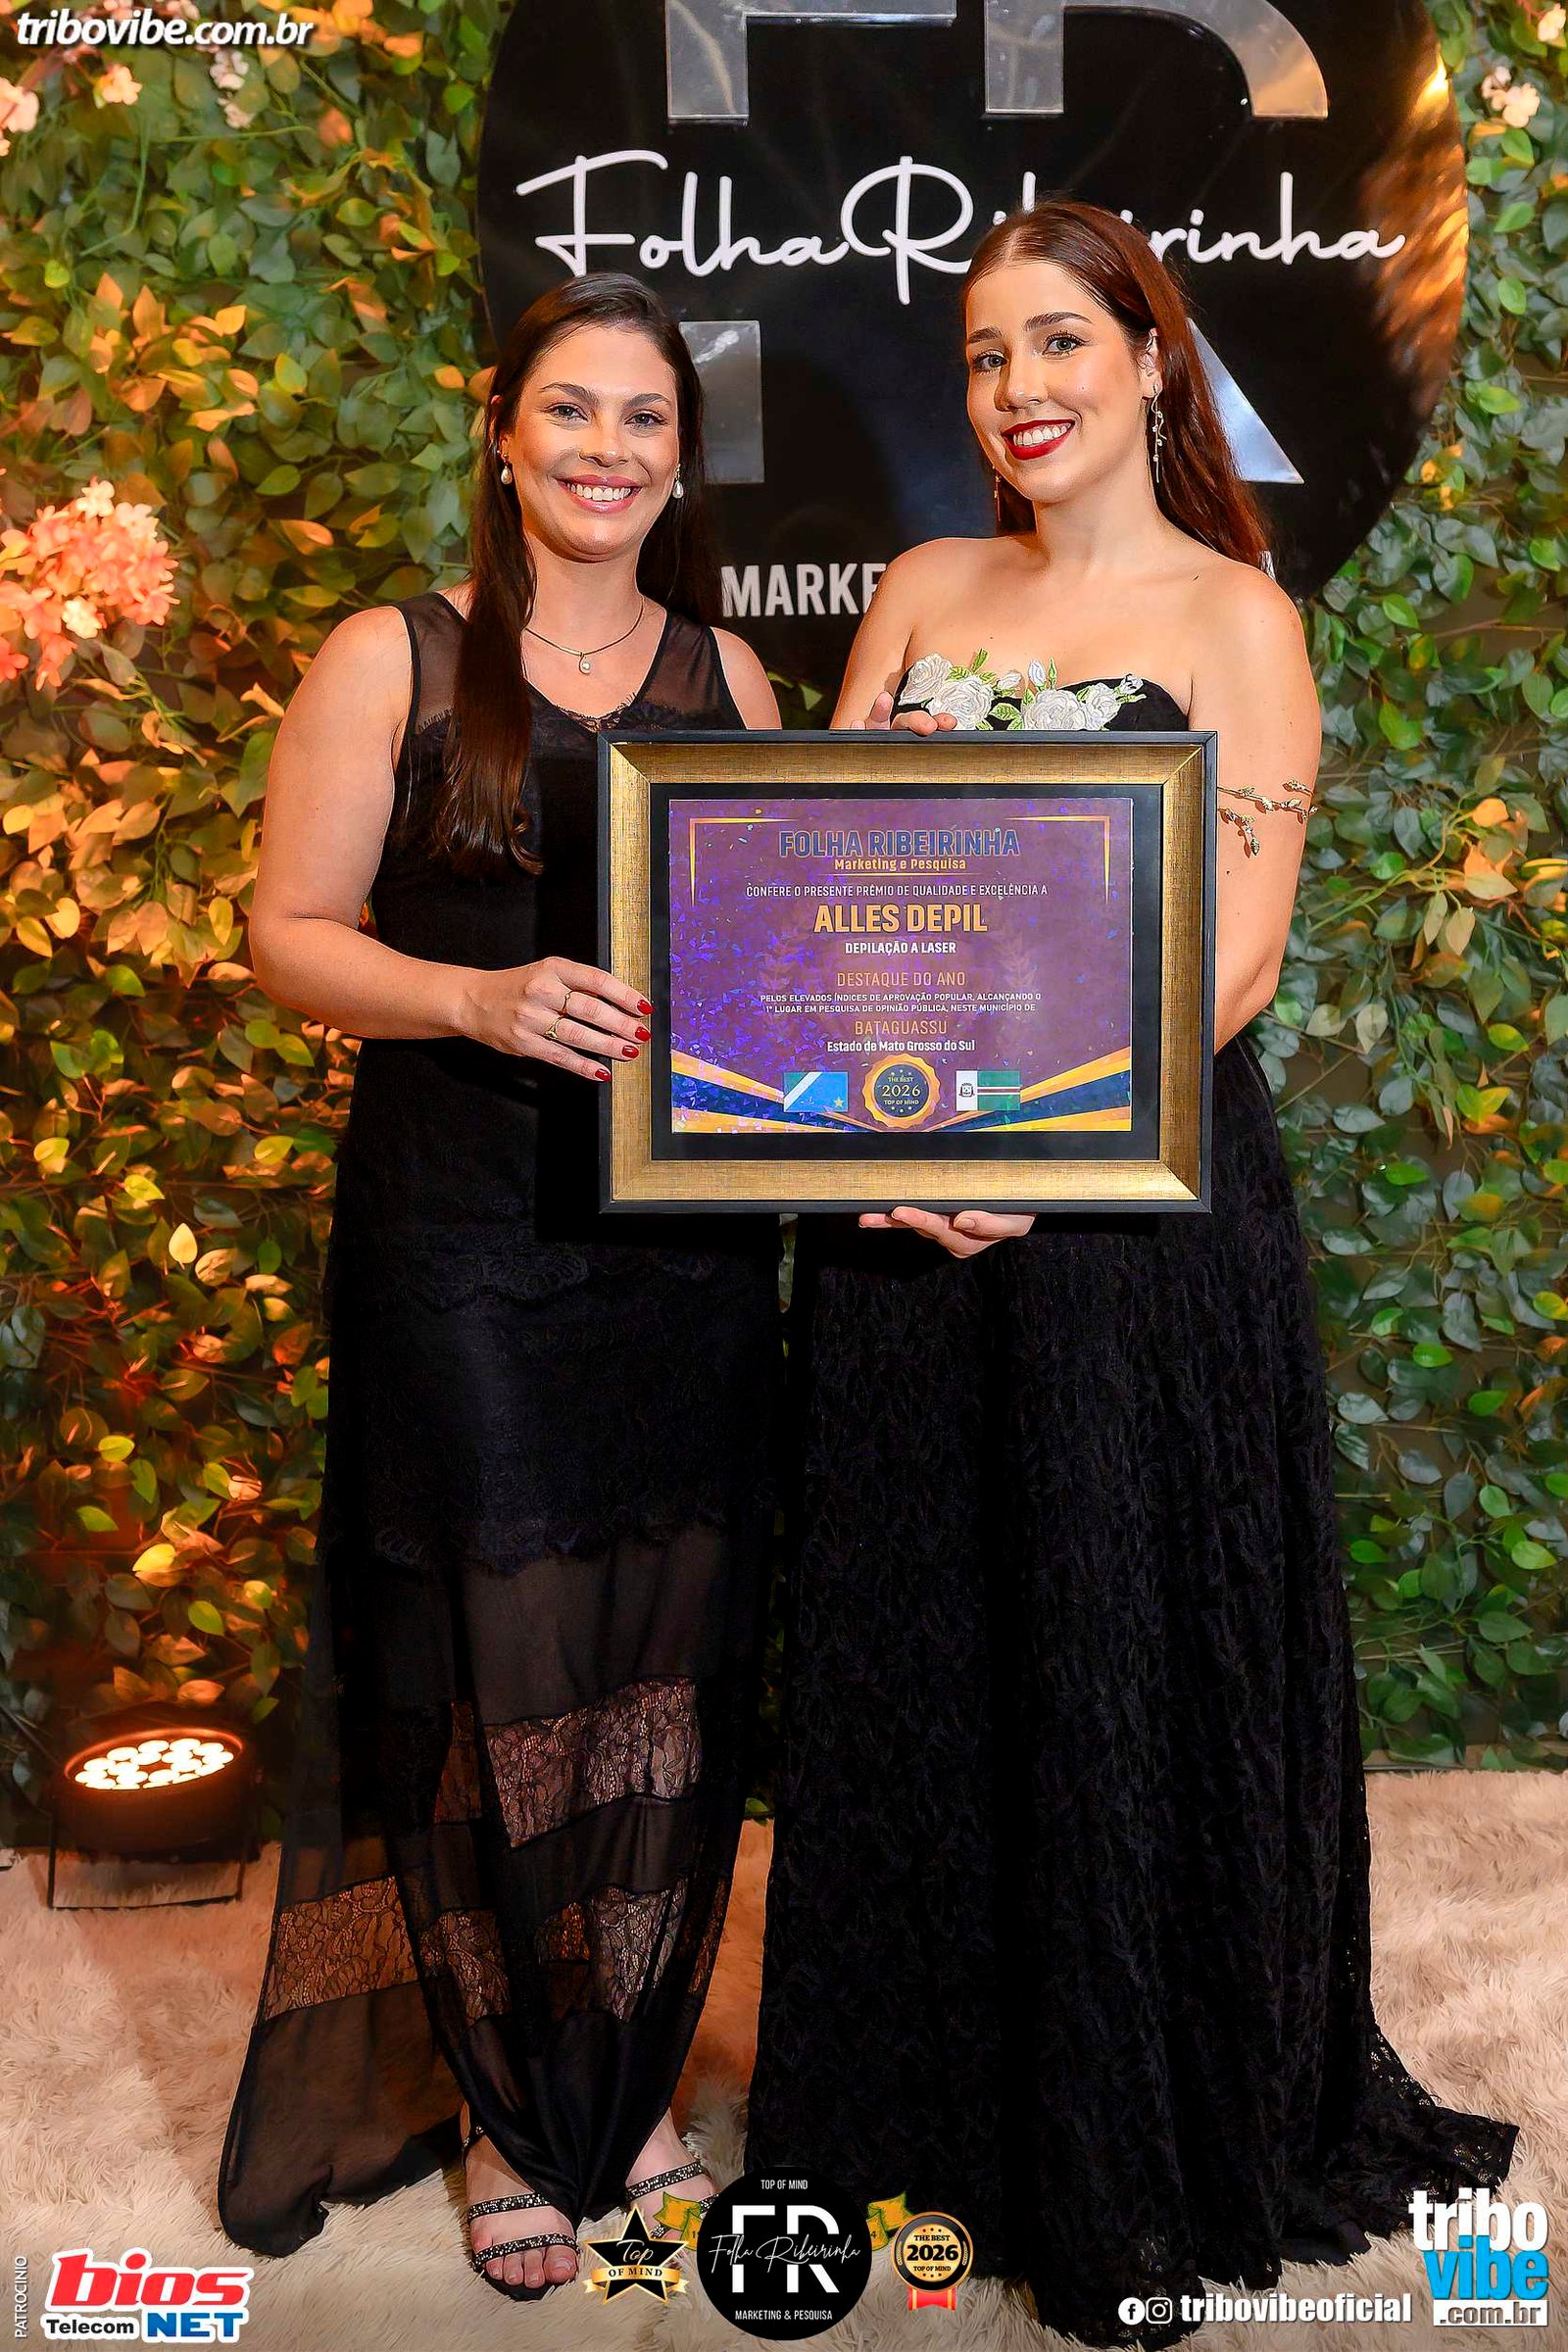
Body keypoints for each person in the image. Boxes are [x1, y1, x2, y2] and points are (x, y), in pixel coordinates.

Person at [744, 198, 1519, 2349]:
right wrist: (878, 1130)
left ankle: (1125, 2144)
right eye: (986, 354)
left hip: (1125, 1211)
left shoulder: (1233, 617)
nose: (1020, 389)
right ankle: (920, 2116)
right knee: (920, 1643)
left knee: (1116, 1642)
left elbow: (1234, 964)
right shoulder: (917, 590)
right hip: (902, 1209)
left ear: (1151, 359)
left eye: (1059, 343)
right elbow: (819, 889)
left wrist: (1030, 1145)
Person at [217, 271, 783, 2303]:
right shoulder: (394, 652)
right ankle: (502, 2110)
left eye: (644, 419)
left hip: (683, 1259)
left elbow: (779, 962)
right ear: (502, 430)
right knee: (497, 1670)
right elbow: (287, 932)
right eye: (571, 410)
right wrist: (470, 996)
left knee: (663, 1664)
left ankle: (626, 2079)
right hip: (459, 1241)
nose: (605, 450)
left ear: (679, 460)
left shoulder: (731, 673)